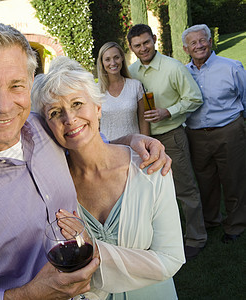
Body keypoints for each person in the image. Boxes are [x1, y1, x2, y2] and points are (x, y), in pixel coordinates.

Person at [0, 22, 171, 300]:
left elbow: (84, 142)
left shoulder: (41, 128)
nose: (4, 105)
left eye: (16, 85)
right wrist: (27, 295)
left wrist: (132, 141)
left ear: (31, 83)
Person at [31, 55, 184, 299]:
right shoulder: (51, 188)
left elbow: (171, 259)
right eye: (55, 112)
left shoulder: (150, 167)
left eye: (78, 104)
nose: (69, 119)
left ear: (98, 107)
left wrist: (91, 249)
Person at [127, 24, 207, 260]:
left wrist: (168, 112)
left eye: (146, 42)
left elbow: (194, 98)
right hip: (143, 142)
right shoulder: (131, 72)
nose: (143, 48)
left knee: (185, 189)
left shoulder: (173, 67)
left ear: (154, 39)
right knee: (151, 194)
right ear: (132, 48)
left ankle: (196, 238)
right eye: (137, 46)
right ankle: (160, 239)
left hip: (170, 136)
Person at [182, 24, 246, 243]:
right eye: (193, 43)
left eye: (202, 40)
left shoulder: (231, 67)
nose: (199, 45)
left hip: (228, 131)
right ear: (186, 48)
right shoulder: (183, 72)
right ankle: (211, 221)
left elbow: (245, 98)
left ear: (210, 42)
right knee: (205, 181)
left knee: (233, 179)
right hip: (197, 136)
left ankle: (235, 224)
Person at [97, 42, 149, 140]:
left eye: (116, 57)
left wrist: (145, 144)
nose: (113, 63)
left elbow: (143, 119)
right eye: (107, 59)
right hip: (108, 148)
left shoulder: (135, 85)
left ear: (122, 58)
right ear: (102, 63)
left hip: (134, 147)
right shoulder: (96, 90)